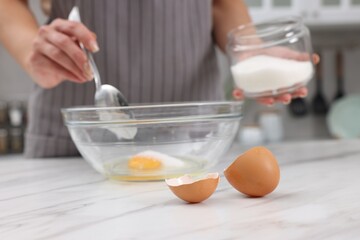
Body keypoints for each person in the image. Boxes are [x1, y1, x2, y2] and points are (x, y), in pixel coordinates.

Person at [0, 0, 318, 157]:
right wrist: (33, 51)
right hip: (76, 145)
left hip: (194, 142)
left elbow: (221, 4)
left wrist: (248, 55)